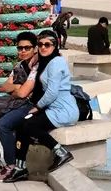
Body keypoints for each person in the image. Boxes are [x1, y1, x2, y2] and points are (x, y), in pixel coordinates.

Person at [14, 30, 81, 178]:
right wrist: (36, 57)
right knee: (22, 124)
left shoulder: (56, 63)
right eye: (40, 44)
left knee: (29, 125)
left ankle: (61, 153)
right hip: (55, 109)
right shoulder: (50, 61)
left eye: (47, 44)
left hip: (63, 110)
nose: (43, 47)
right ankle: (20, 167)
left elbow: (52, 92)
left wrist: (37, 107)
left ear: (55, 45)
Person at [0, 31, 39, 181]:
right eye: (20, 48)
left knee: (3, 125)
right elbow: (5, 86)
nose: (23, 51)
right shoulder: (19, 66)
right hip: (17, 103)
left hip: (32, 106)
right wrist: (18, 87)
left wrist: (18, 90)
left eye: (27, 48)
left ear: (35, 48)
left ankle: (12, 166)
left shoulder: (38, 66)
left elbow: (24, 93)